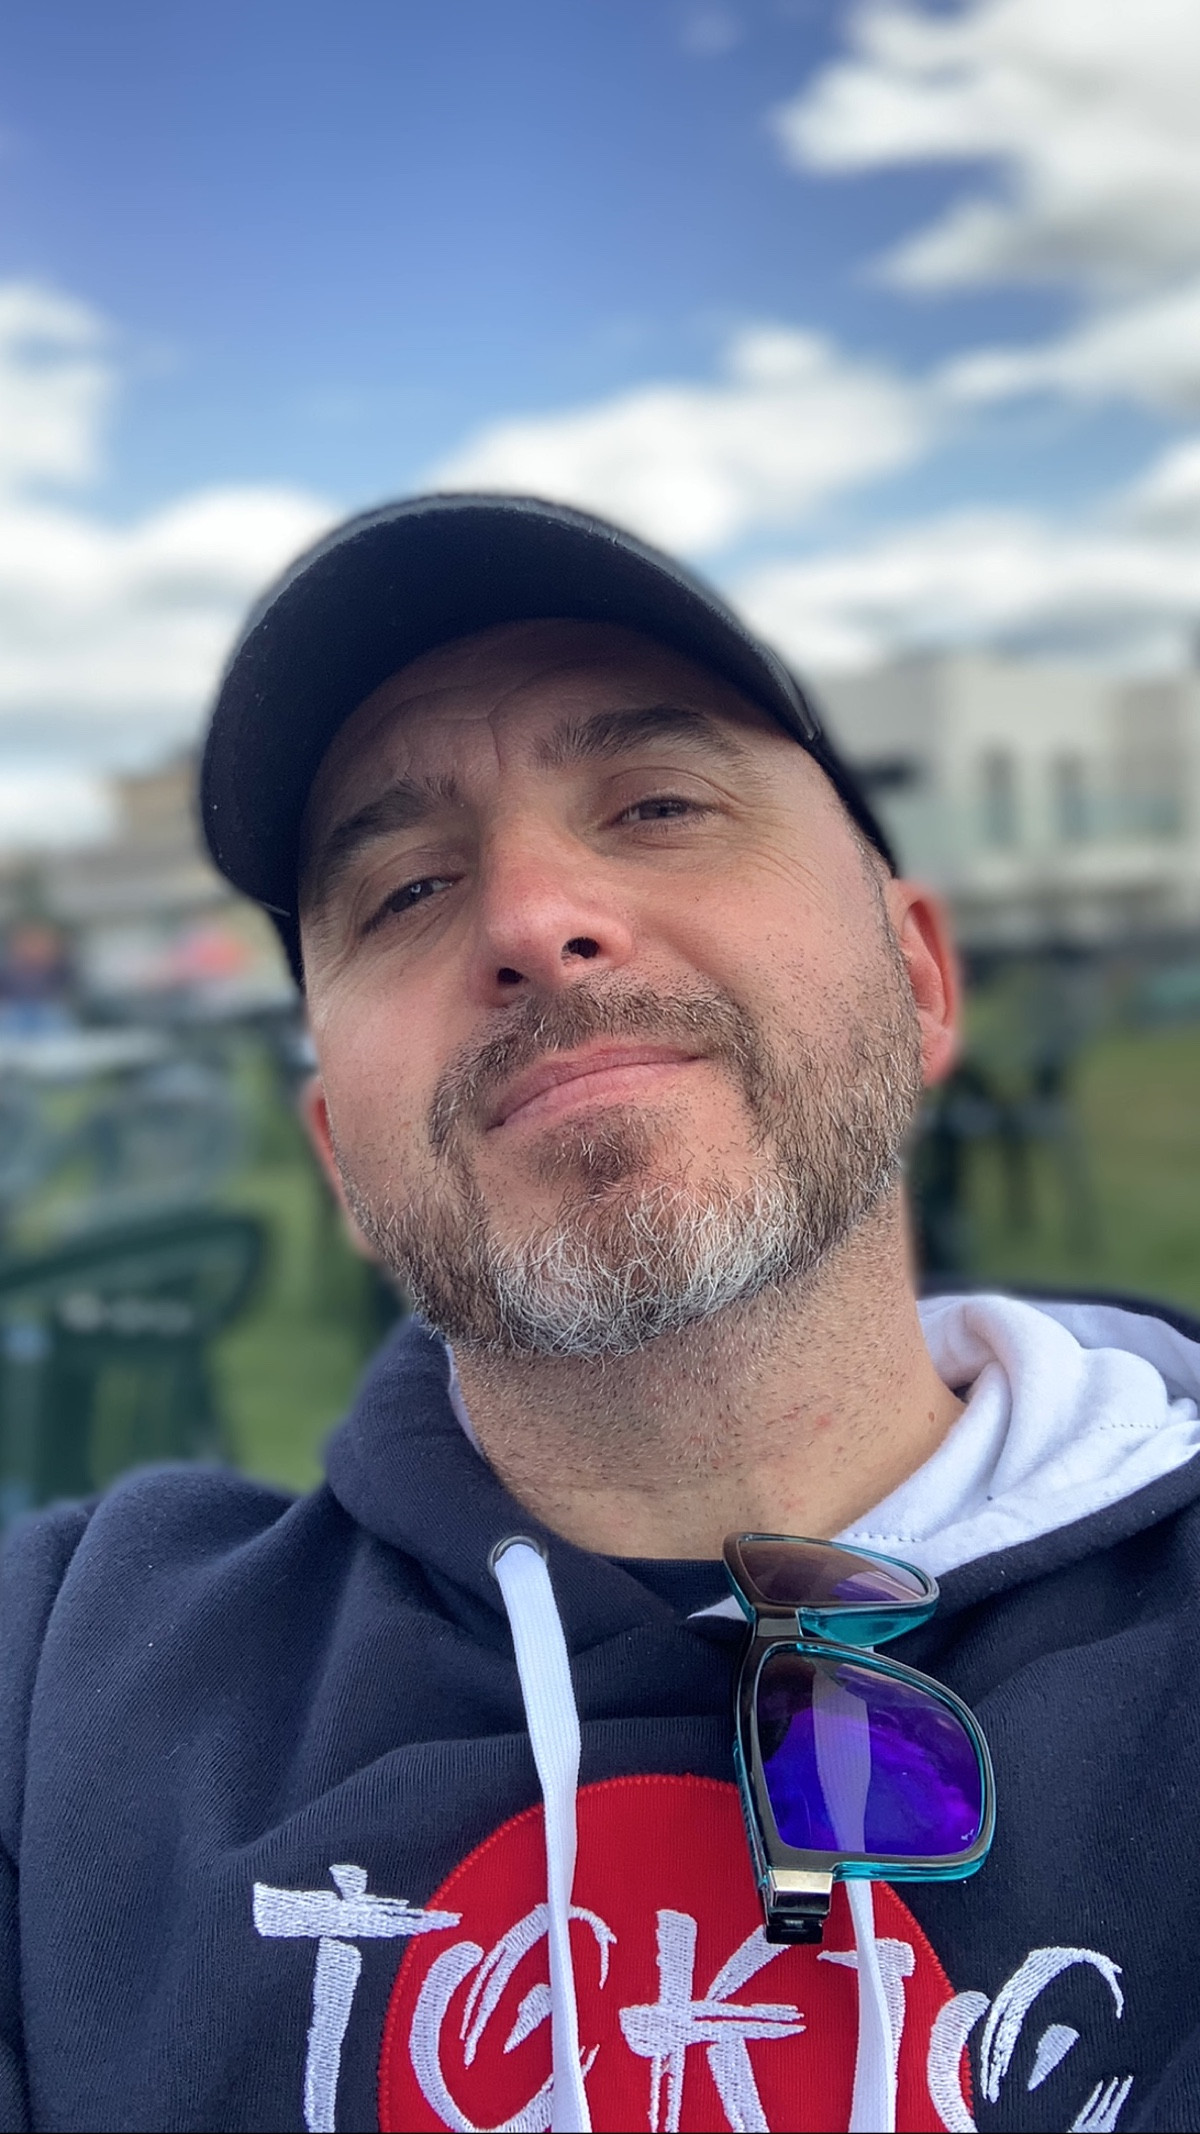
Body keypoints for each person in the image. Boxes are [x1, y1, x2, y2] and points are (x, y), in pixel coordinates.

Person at [2, 494, 1199, 2134]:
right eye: (406, 890)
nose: (530, 919)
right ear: (342, 1155)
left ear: (918, 976)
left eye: (656, 803)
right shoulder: (62, 1685)